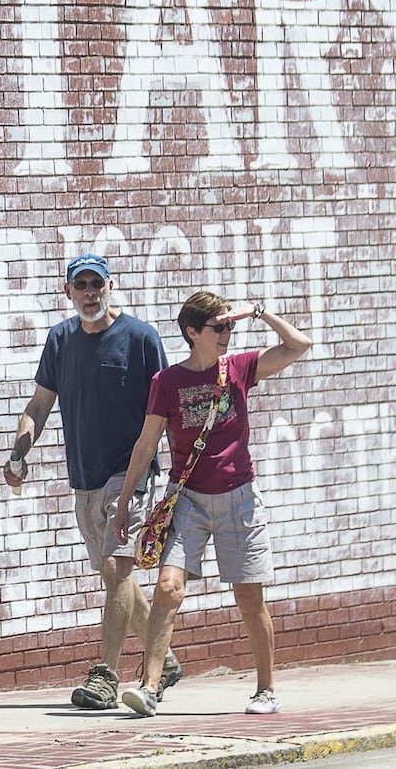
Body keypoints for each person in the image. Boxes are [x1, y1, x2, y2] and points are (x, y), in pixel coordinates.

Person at [110, 292, 313, 718]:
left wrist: (258, 312)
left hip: (240, 498)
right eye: (218, 327)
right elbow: (147, 444)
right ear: (192, 332)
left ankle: (266, 689)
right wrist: (125, 501)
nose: (227, 334)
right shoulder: (166, 383)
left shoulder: (239, 368)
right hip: (188, 501)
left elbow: (298, 345)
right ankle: (149, 688)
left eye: (229, 327)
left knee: (248, 597)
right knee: (167, 589)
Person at [3, 252, 183, 710]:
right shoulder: (60, 340)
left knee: (118, 569)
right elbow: (39, 405)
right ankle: (167, 660)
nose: (89, 293)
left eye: (96, 284)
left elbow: (165, 408)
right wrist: (19, 451)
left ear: (109, 286)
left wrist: (163, 468)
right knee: (113, 578)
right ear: (68, 292)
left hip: (131, 475)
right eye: (80, 285)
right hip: (83, 479)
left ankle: (104, 677)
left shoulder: (140, 338)